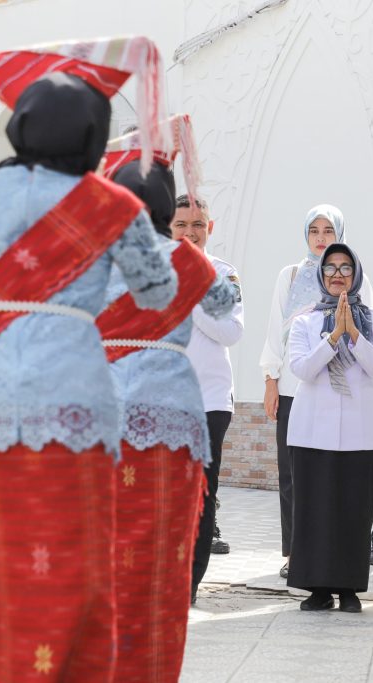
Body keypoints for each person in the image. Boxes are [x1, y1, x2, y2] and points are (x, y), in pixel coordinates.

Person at [0, 37, 176, 683]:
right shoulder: (115, 207)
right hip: (69, 402)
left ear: (18, 127)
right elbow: (157, 292)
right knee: (74, 583)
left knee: (3, 587)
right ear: (94, 137)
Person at [98, 134, 236, 680]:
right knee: (164, 545)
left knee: (105, 536)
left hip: (105, 410)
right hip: (174, 416)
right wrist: (195, 253)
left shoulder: (101, 258)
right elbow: (224, 302)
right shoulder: (188, 258)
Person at [259, 204, 373, 579]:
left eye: (328, 230)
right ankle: (296, 552)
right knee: (292, 474)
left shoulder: (357, 278)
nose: (321, 238)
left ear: (340, 235)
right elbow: (275, 328)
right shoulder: (290, 275)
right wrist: (270, 380)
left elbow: (370, 330)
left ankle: (336, 556)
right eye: (314, 231)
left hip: (339, 391)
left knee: (337, 477)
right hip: (295, 385)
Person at [286, 243, 373, 613]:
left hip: (359, 433)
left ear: (356, 274)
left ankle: (348, 589)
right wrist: (333, 338)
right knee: (315, 509)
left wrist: (354, 335)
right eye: (330, 268)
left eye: (345, 268)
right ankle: (317, 588)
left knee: (353, 510)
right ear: (321, 275)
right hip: (312, 430)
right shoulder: (305, 321)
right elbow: (300, 369)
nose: (337, 274)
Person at [177, 194, 246, 602]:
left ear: (210, 228)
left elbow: (231, 332)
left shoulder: (223, 275)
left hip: (210, 402)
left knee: (201, 496)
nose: (190, 233)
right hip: (161, 403)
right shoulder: (152, 272)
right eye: (181, 224)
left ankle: (189, 583)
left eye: (197, 224)